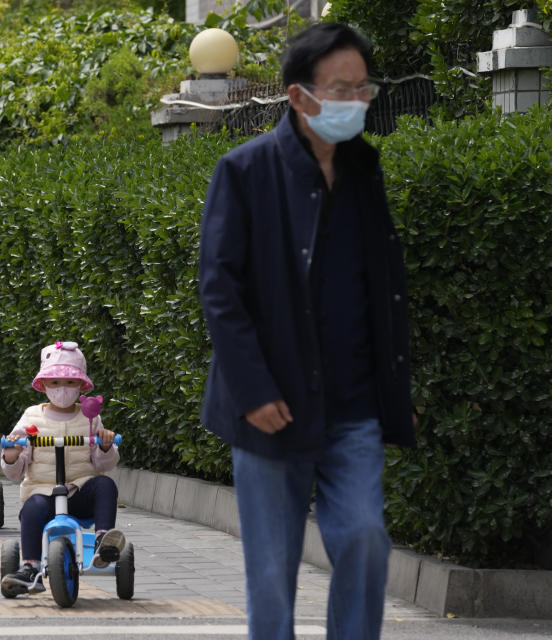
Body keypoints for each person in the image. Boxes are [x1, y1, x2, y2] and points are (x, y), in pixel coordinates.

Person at [198, 23, 415, 640]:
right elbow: (220, 287)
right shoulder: (244, 171)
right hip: (271, 408)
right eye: (340, 89)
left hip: (353, 407)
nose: (355, 100)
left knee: (366, 539)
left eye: (362, 88)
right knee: (270, 582)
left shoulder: (364, 171)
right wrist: (253, 389)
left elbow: (382, 288)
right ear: (299, 97)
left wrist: (396, 389)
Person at [0, 340, 125, 596]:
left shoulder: (89, 418)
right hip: (43, 491)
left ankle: (103, 540)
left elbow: (103, 464)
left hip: (80, 491)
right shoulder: (32, 416)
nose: (62, 389)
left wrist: (104, 446)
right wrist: (11, 455)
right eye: (55, 382)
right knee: (32, 509)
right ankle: (31, 567)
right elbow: (15, 471)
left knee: (104, 485)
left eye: (70, 382)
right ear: (43, 384)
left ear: (81, 385)